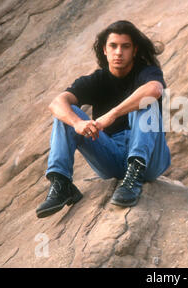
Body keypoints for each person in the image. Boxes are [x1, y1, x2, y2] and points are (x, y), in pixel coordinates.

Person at [36, 20, 171, 218]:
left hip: (149, 159)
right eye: (113, 46)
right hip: (112, 157)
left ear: (134, 51)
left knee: (146, 100)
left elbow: (154, 90)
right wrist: (78, 123)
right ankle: (62, 182)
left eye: (125, 47)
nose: (118, 52)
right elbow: (56, 103)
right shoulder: (96, 80)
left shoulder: (147, 72)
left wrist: (113, 114)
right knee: (67, 113)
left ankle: (134, 177)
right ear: (104, 50)